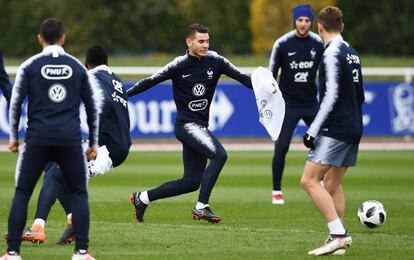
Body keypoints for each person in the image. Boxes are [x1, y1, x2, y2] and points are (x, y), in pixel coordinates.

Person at [128, 23, 252, 223]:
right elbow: (150, 81)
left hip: (200, 126)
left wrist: (269, 88)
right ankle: (201, 206)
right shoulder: (178, 64)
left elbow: (245, 79)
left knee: (191, 182)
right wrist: (124, 95)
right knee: (219, 155)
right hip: (186, 125)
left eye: (207, 41)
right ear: (189, 42)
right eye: (201, 41)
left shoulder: (217, 60)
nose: (205, 45)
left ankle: (142, 198)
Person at [1, 18, 99, 260]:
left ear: (40, 38)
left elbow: (15, 103)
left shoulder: (29, 66)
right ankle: (81, 252)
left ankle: (13, 252)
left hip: (37, 139)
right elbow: (92, 106)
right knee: (79, 193)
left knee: (23, 192)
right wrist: (93, 143)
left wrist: (13, 137)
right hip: (69, 139)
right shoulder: (77, 67)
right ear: (63, 38)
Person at [17, 44, 131, 245]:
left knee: (54, 171)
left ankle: (37, 228)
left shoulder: (93, 77)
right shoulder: (116, 80)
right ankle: (74, 221)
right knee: (53, 166)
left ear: (87, 64)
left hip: (106, 148)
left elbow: (100, 104)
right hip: (117, 145)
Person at [300, 6, 364, 256]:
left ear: (319, 27)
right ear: (342, 26)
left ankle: (339, 235)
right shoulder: (351, 51)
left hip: (335, 128)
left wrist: (312, 131)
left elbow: (331, 96)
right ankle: (337, 238)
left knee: (308, 180)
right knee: (332, 183)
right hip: (353, 125)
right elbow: (360, 94)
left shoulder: (330, 53)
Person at [268, 4, 324, 205]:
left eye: (307, 20)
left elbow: (326, 72)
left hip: (310, 103)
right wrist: (272, 98)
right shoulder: (282, 43)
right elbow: (271, 74)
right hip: (288, 105)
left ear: (311, 22)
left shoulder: (318, 43)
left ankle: (321, 183)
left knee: (324, 142)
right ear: (295, 21)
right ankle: (276, 191)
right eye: (300, 20)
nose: (303, 24)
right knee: (281, 146)